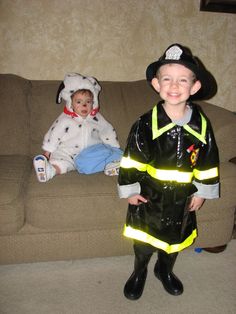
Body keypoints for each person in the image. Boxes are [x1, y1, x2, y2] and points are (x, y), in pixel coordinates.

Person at [118, 43, 219, 300]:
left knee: (174, 240)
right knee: (144, 241)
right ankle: (139, 271)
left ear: (194, 87)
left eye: (182, 80)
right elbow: (132, 159)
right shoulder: (145, 124)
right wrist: (130, 189)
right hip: (149, 196)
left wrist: (203, 191)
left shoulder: (201, 126)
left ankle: (164, 270)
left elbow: (207, 161)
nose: (174, 86)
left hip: (182, 198)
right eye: (167, 79)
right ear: (156, 84)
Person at [33, 73, 122, 182]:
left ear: (93, 103)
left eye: (88, 102)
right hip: (67, 153)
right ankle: (49, 171)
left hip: (90, 153)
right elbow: (54, 134)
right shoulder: (65, 120)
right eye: (79, 102)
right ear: (71, 104)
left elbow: (107, 130)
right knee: (61, 163)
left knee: (108, 152)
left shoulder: (96, 118)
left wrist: (114, 146)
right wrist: (47, 153)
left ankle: (112, 165)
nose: (84, 105)